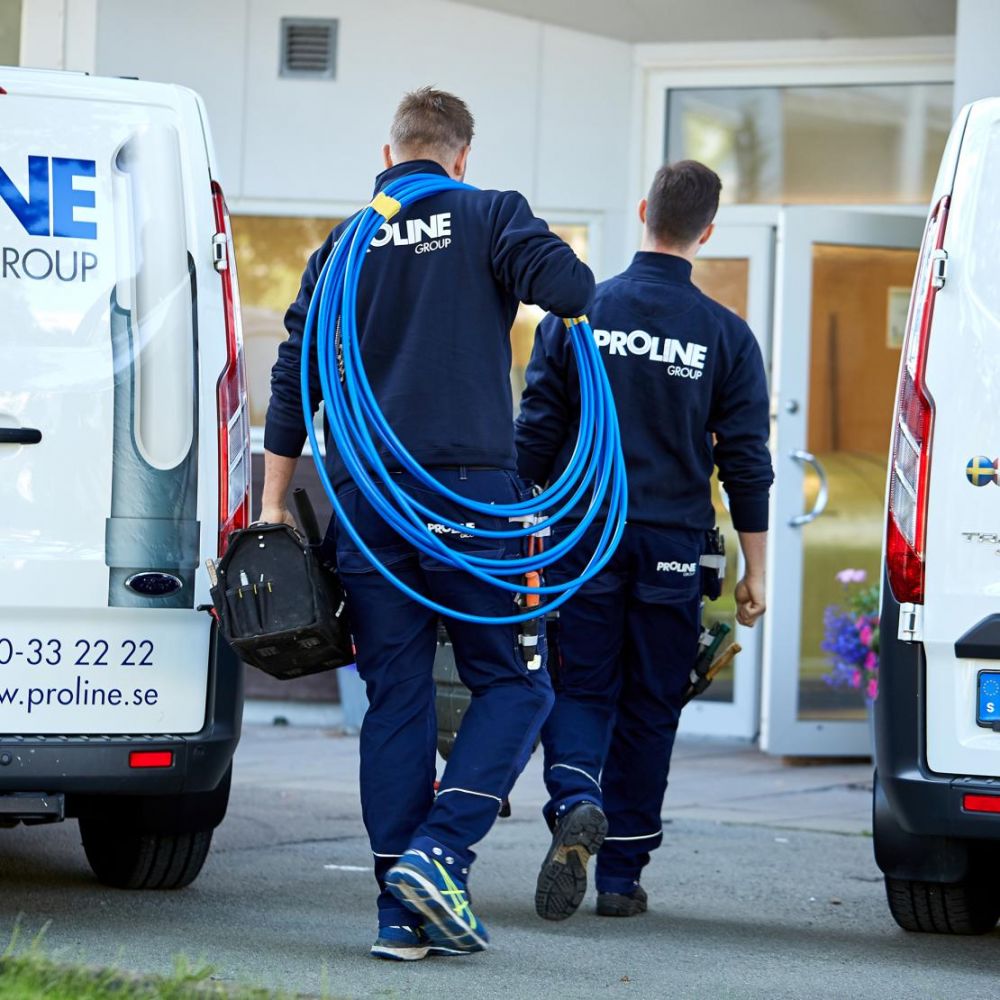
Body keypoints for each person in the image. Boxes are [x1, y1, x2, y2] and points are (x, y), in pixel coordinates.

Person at [260, 87, 594, 959]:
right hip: (471, 499)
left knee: (398, 699)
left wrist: (272, 505)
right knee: (517, 686)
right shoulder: (490, 213)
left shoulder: (342, 245)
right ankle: (439, 853)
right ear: (461, 156)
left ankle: (399, 916)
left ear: (389, 154)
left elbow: (295, 378)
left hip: (369, 505)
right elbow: (571, 289)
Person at [515, 159, 773, 921]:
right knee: (652, 703)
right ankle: (621, 874)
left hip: (582, 535)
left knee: (580, 685)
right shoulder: (726, 335)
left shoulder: (578, 314)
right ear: (708, 232)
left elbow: (535, 435)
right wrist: (757, 569)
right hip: (672, 545)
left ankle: (576, 799)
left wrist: (515, 531)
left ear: (642, 212)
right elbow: (746, 461)